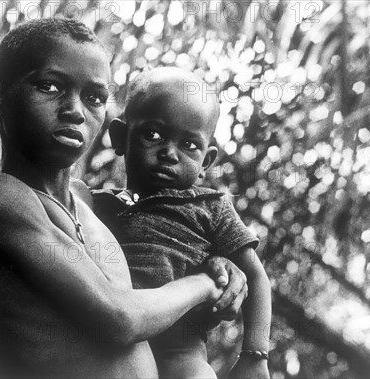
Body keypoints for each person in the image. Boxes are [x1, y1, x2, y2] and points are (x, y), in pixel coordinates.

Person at [0, 19, 248, 378]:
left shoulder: (90, 205)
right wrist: (205, 283)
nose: (75, 111)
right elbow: (119, 319)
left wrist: (222, 263)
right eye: (50, 86)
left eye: (94, 97)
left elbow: (161, 249)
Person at [92, 67, 272, 378]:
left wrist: (255, 355)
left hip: (180, 356)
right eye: (153, 135)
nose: (169, 153)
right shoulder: (95, 206)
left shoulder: (210, 207)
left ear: (206, 162)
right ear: (121, 137)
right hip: (106, 355)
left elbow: (255, 278)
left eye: (189, 145)